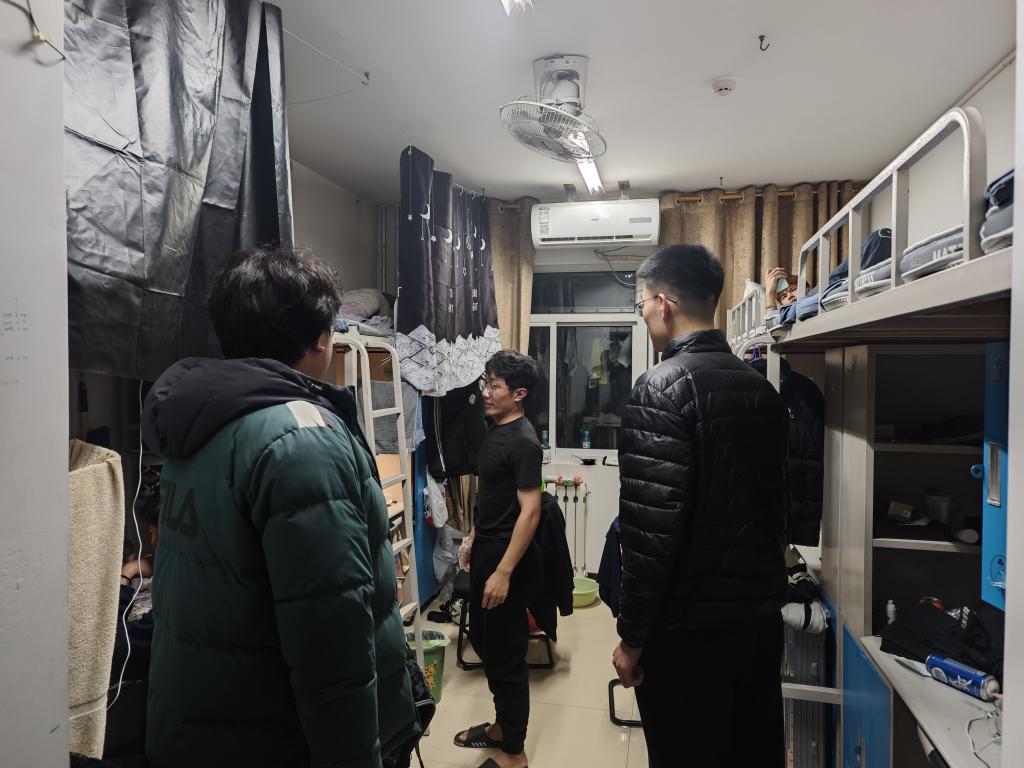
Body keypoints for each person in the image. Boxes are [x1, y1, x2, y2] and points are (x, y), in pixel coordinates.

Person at [142, 248, 418, 768]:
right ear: (320, 339)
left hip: (200, 726)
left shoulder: (196, 421)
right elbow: (330, 641)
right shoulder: (300, 439)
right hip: (276, 738)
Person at [612, 244, 790, 768]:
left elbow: (650, 537)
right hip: (758, 624)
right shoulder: (761, 389)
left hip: (689, 636)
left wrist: (632, 640)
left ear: (663, 304)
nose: (644, 315)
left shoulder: (659, 390)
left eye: (643, 304)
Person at [453, 350, 542, 768]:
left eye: (494, 386)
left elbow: (531, 512)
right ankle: (502, 725)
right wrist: (474, 535)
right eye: (485, 383)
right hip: (488, 547)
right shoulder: (495, 429)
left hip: (508, 556)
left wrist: (504, 571)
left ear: (519, 394)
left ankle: (514, 753)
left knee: (506, 656)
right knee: (486, 643)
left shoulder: (523, 441)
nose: (485, 392)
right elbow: (495, 498)